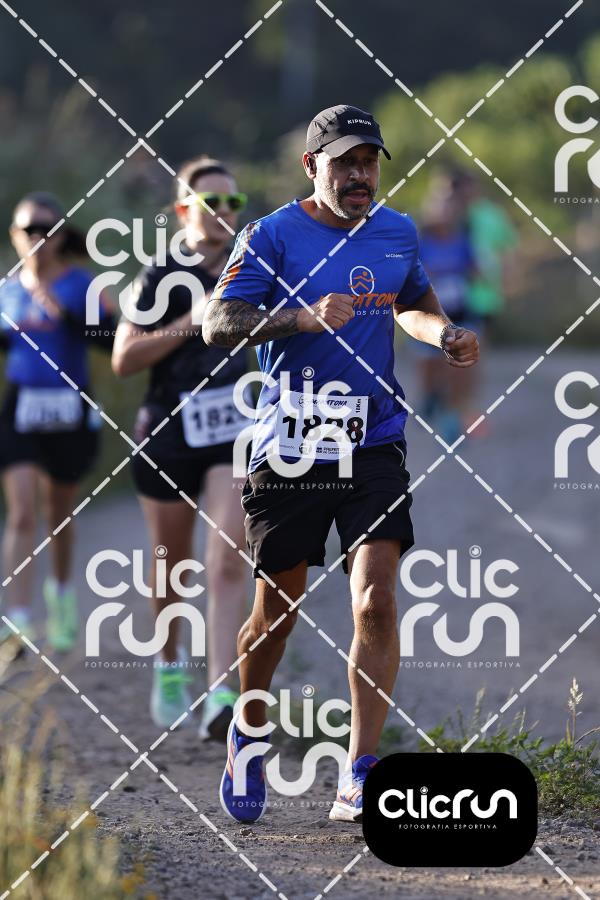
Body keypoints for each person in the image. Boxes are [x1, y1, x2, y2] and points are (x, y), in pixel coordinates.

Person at [203, 104, 479, 824]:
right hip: (291, 446)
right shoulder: (270, 236)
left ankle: (361, 770)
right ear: (311, 166)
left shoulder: (396, 231)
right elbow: (217, 323)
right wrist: (298, 317)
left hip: (373, 437)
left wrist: (443, 333)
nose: (360, 175)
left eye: (369, 163)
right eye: (345, 163)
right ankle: (248, 728)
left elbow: (411, 303)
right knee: (276, 612)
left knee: (376, 599)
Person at [112, 157, 250, 738]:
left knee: (227, 556)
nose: (223, 212)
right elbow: (123, 358)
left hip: (232, 428)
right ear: (182, 210)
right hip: (167, 430)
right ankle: (170, 667)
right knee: (172, 564)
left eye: (233, 203)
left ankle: (222, 694)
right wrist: (192, 321)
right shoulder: (161, 272)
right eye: (210, 202)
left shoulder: (250, 263)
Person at [0, 192, 115, 654]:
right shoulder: (7, 290)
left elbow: (112, 340)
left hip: (70, 408)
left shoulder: (82, 285)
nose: (37, 238)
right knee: (22, 511)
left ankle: (62, 597)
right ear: (14, 235)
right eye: (28, 229)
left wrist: (66, 317)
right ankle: (17, 619)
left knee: (57, 514)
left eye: (46, 229)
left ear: (61, 236)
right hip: (21, 409)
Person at [415, 193, 478, 443]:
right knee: (430, 368)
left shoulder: (463, 242)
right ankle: (430, 398)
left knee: (458, 370)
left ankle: (453, 420)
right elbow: (412, 274)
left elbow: (475, 270)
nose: (445, 215)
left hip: (460, 312)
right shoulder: (422, 243)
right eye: (441, 210)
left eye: (450, 210)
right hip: (428, 315)